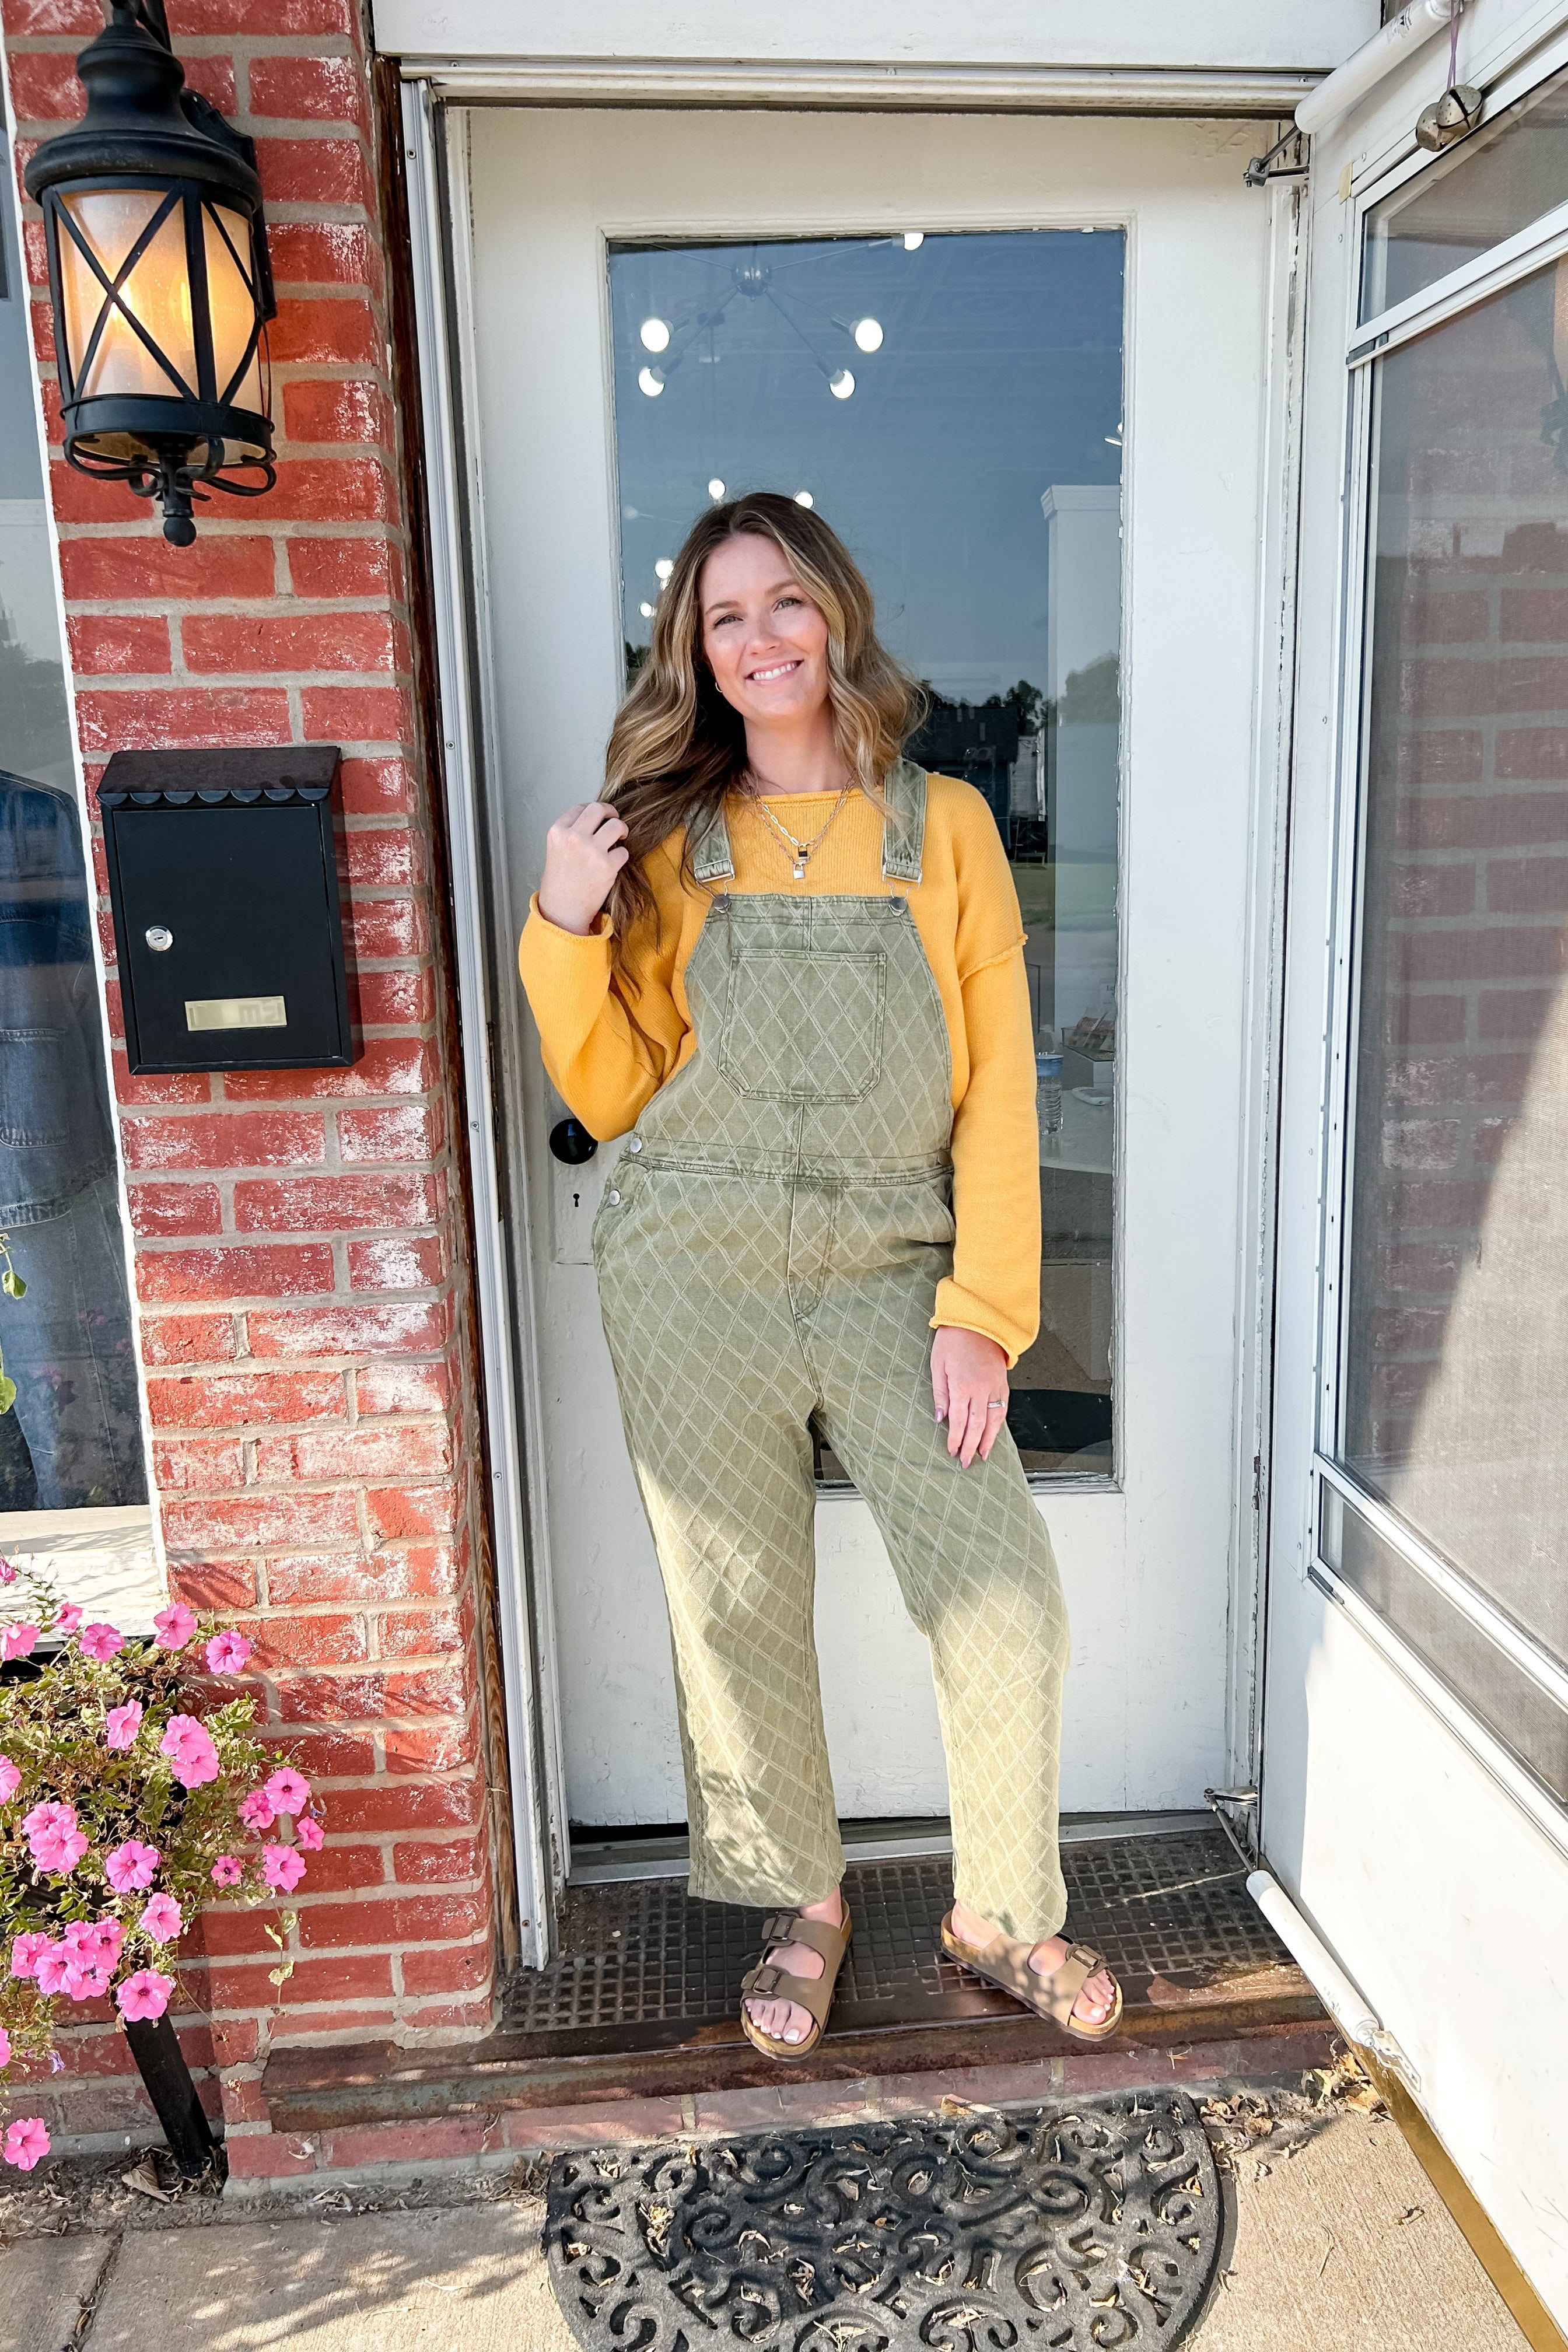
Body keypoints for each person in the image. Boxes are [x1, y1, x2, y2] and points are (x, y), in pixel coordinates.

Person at [518, 492, 1119, 2060]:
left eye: (784, 603)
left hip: (890, 1262)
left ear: (835, 614)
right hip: (690, 1269)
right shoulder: (665, 836)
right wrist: (562, 931)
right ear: (696, 655)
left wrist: (984, 1313)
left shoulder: (949, 826)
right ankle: (807, 1902)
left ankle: (1002, 1909)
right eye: (726, 618)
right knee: (735, 1608)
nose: (762, 638)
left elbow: (1000, 1084)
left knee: (1002, 1597)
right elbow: (614, 1091)